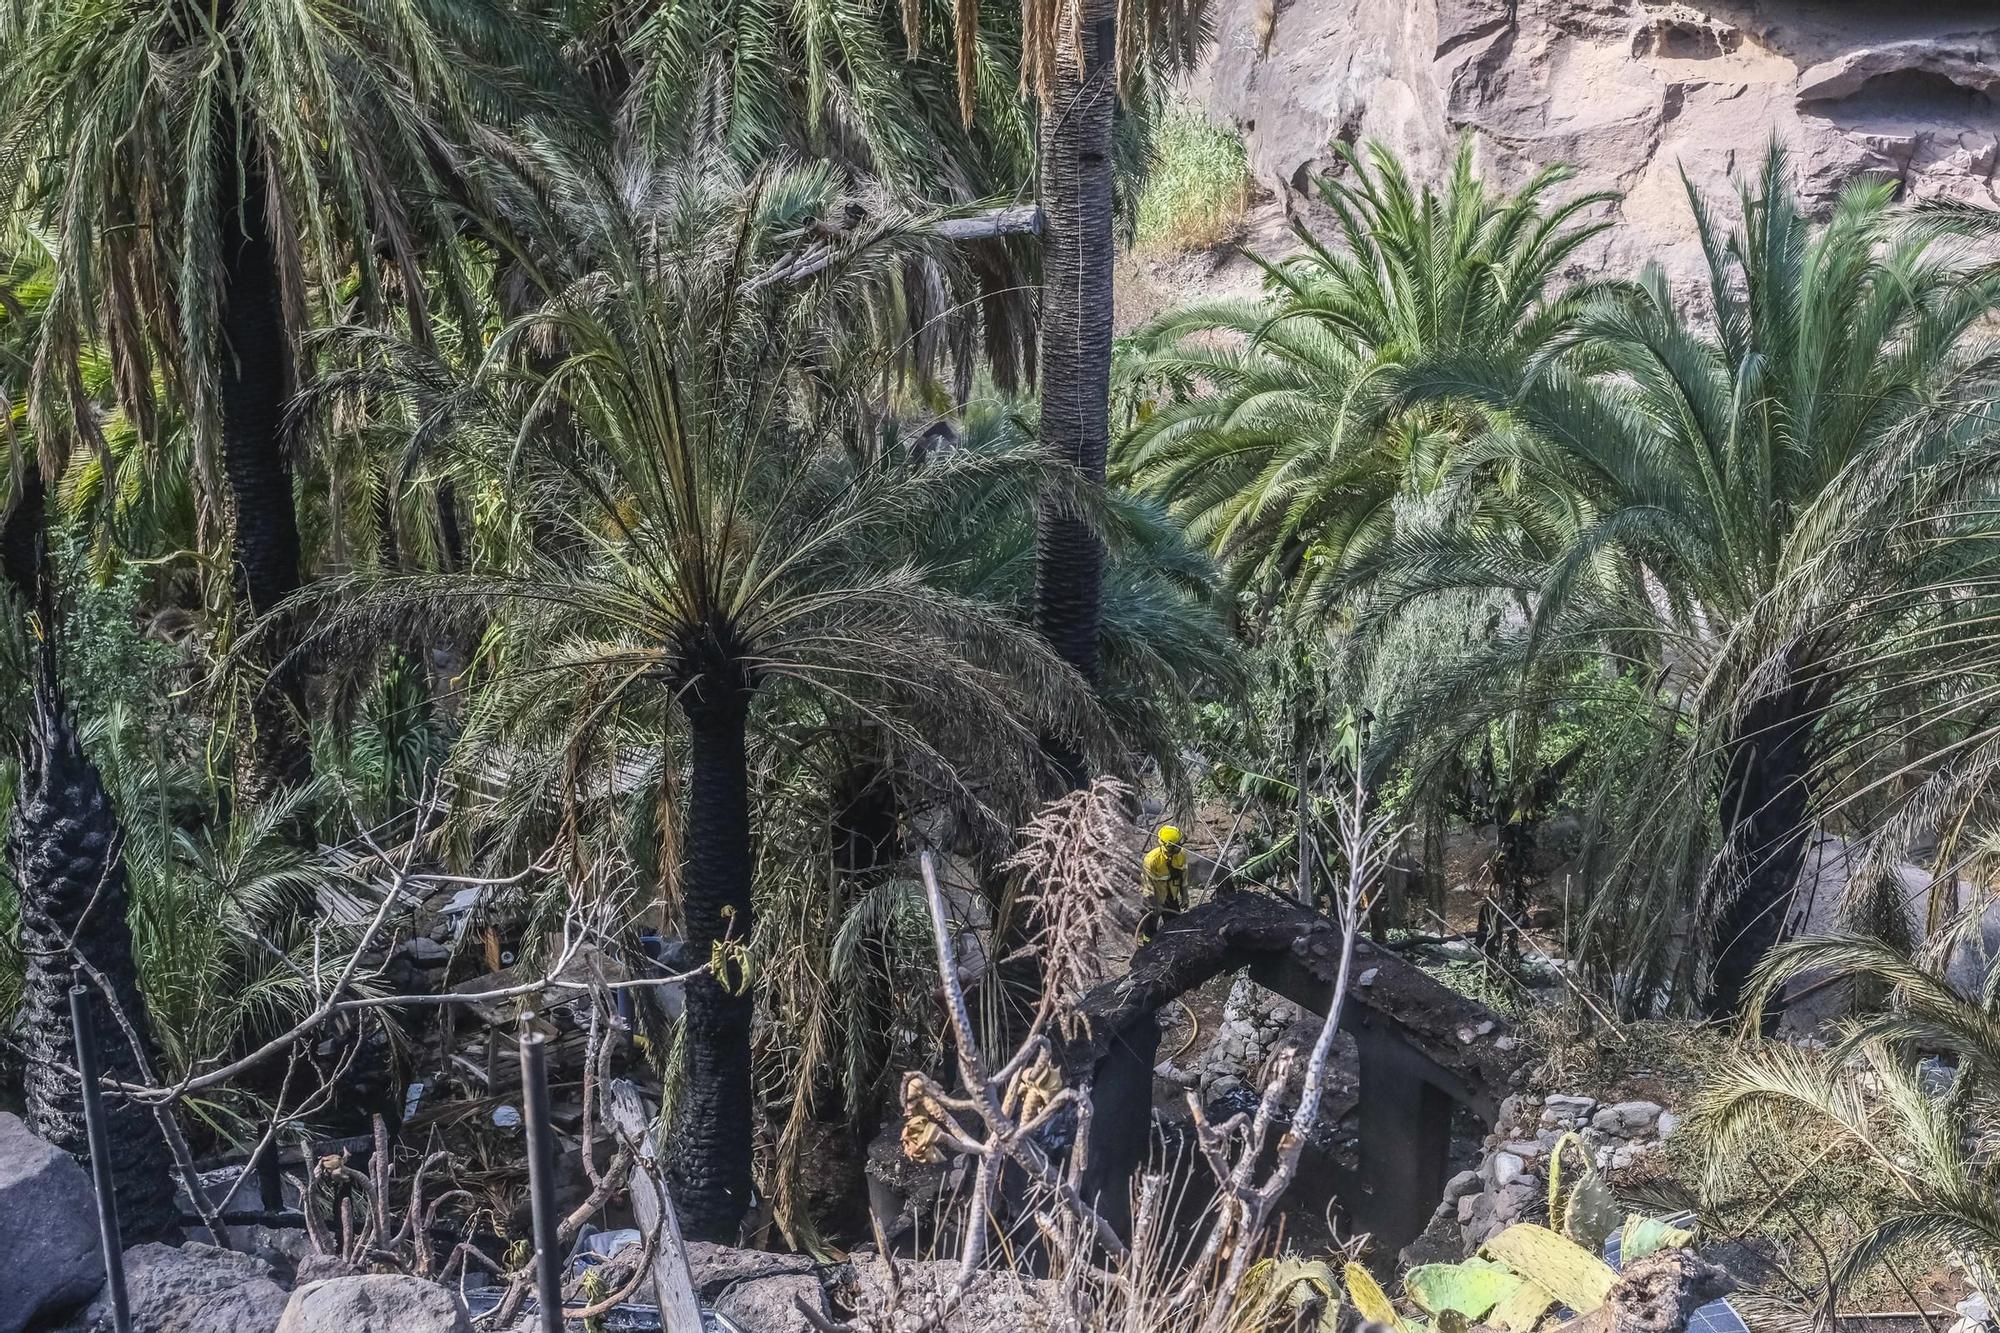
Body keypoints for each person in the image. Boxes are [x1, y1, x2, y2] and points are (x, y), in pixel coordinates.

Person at [1138, 825, 1189, 944]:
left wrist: (1185, 896)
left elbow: (1184, 877)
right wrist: (1154, 905)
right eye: (1178, 844)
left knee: (1174, 925)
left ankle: (1171, 947)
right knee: (1149, 928)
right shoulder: (1151, 860)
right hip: (1153, 897)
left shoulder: (1181, 855)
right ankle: (1148, 947)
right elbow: (1147, 887)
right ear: (1169, 846)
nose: (1180, 846)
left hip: (1171, 894)